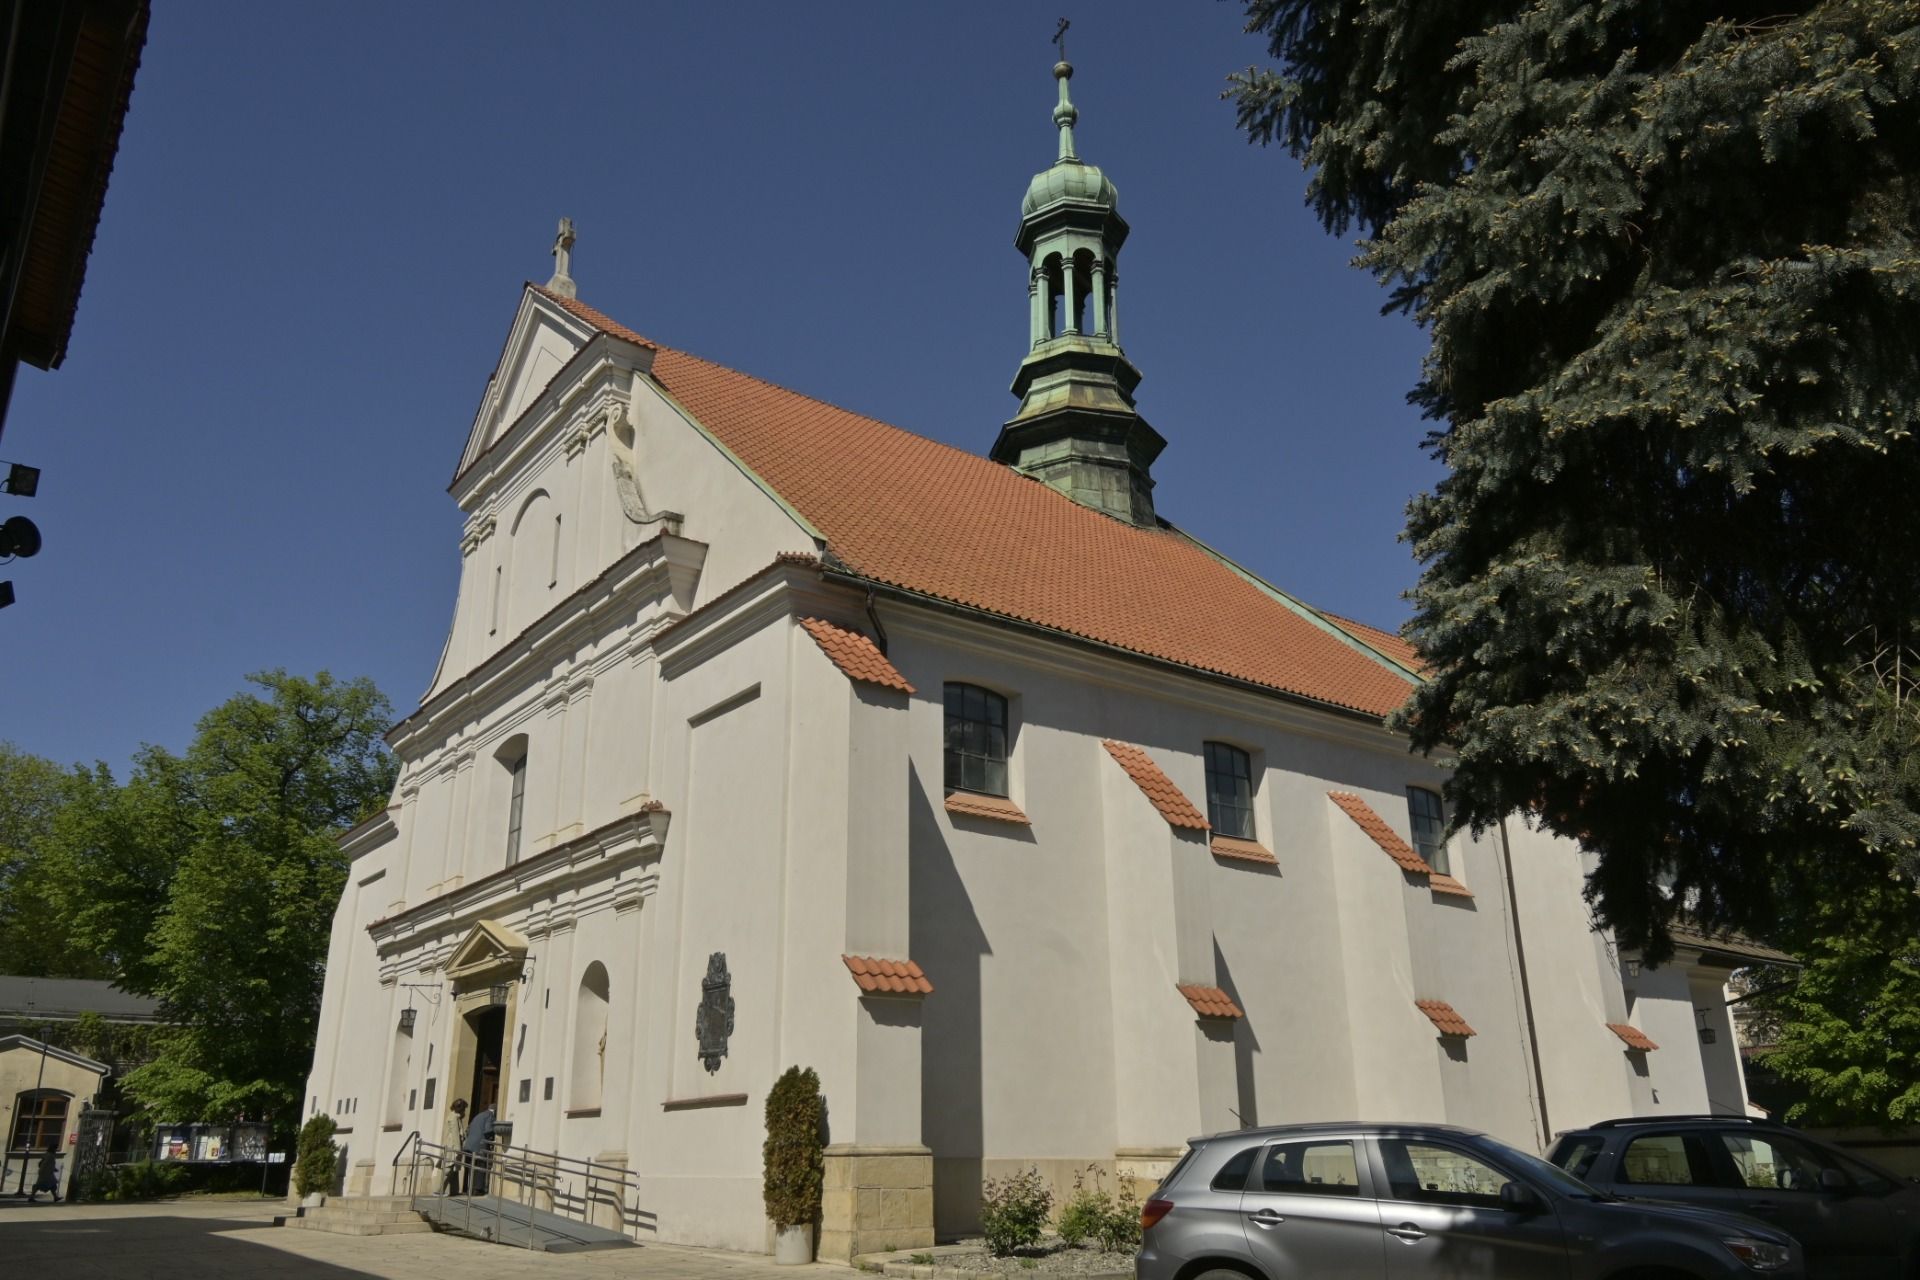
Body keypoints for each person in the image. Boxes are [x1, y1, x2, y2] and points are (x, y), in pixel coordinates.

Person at [462, 1102, 495, 1196]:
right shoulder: (490, 1115)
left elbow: (468, 1129)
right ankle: (478, 1189)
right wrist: (493, 1135)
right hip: (480, 1145)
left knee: (471, 1167)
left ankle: (469, 1188)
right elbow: (488, 1129)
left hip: (469, 1145)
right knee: (481, 1166)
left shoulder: (479, 1115)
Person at [440, 1099, 468, 1196]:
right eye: (464, 1109)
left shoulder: (455, 1117)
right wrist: (458, 1149)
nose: (465, 1111)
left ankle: (454, 1191)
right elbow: (455, 1134)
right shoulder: (454, 1118)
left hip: (452, 1145)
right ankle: (438, 1189)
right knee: (449, 1168)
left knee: (454, 1169)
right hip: (452, 1145)